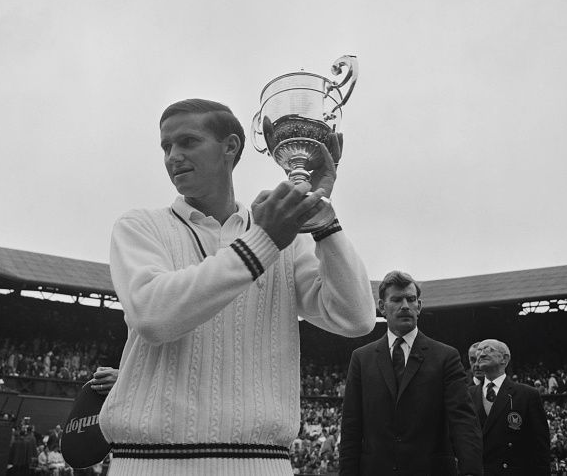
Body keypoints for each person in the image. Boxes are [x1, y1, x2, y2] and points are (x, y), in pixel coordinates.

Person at [98, 98, 376, 475]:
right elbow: (152, 316)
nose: (173, 156)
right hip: (152, 463)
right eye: (166, 146)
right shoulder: (140, 226)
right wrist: (264, 239)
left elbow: (355, 318)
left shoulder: (286, 239)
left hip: (264, 464)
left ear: (230, 146)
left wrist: (324, 222)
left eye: (188, 142)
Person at [339, 270, 483, 476]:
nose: (405, 306)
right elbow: (351, 428)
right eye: (396, 299)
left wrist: (471, 472)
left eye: (411, 299)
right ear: (382, 307)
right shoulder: (362, 358)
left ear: (419, 306)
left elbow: (463, 421)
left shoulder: (445, 357)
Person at [470, 339, 551, 475]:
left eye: (488, 349)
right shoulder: (467, 394)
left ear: (504, 359)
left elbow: (540, 448)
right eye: (479, 350)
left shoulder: (527, 395)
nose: (481, 354)